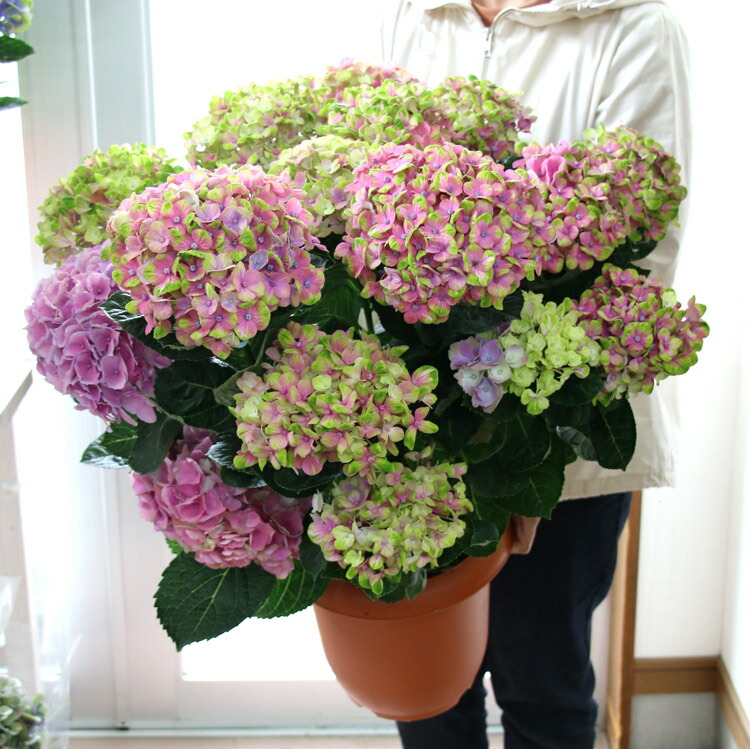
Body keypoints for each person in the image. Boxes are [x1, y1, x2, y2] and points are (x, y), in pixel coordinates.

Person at [371, 0, 692, 746]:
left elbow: (642, 249)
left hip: (561, 439)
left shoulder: (634, 29)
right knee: (424, 691)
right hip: (421, 431)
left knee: (542, 685)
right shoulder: (415, 14)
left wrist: (517, 448)